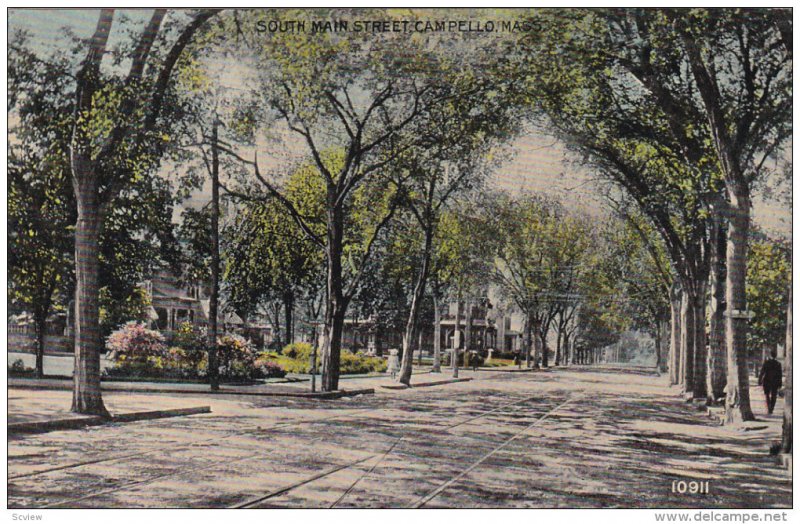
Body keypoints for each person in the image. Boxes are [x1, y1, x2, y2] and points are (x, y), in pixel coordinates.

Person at [758, 350, 783, 414]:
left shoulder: (766, 362)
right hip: (775, 381)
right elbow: (780, 374)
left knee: (767, 395)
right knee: (774, 396)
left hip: (767, 381)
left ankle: (769, 408)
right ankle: (771, 408)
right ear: (775, 356)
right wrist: (780, 383)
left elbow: (762, 372)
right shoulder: (778, 364)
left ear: (770, 355)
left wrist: (759, 380)